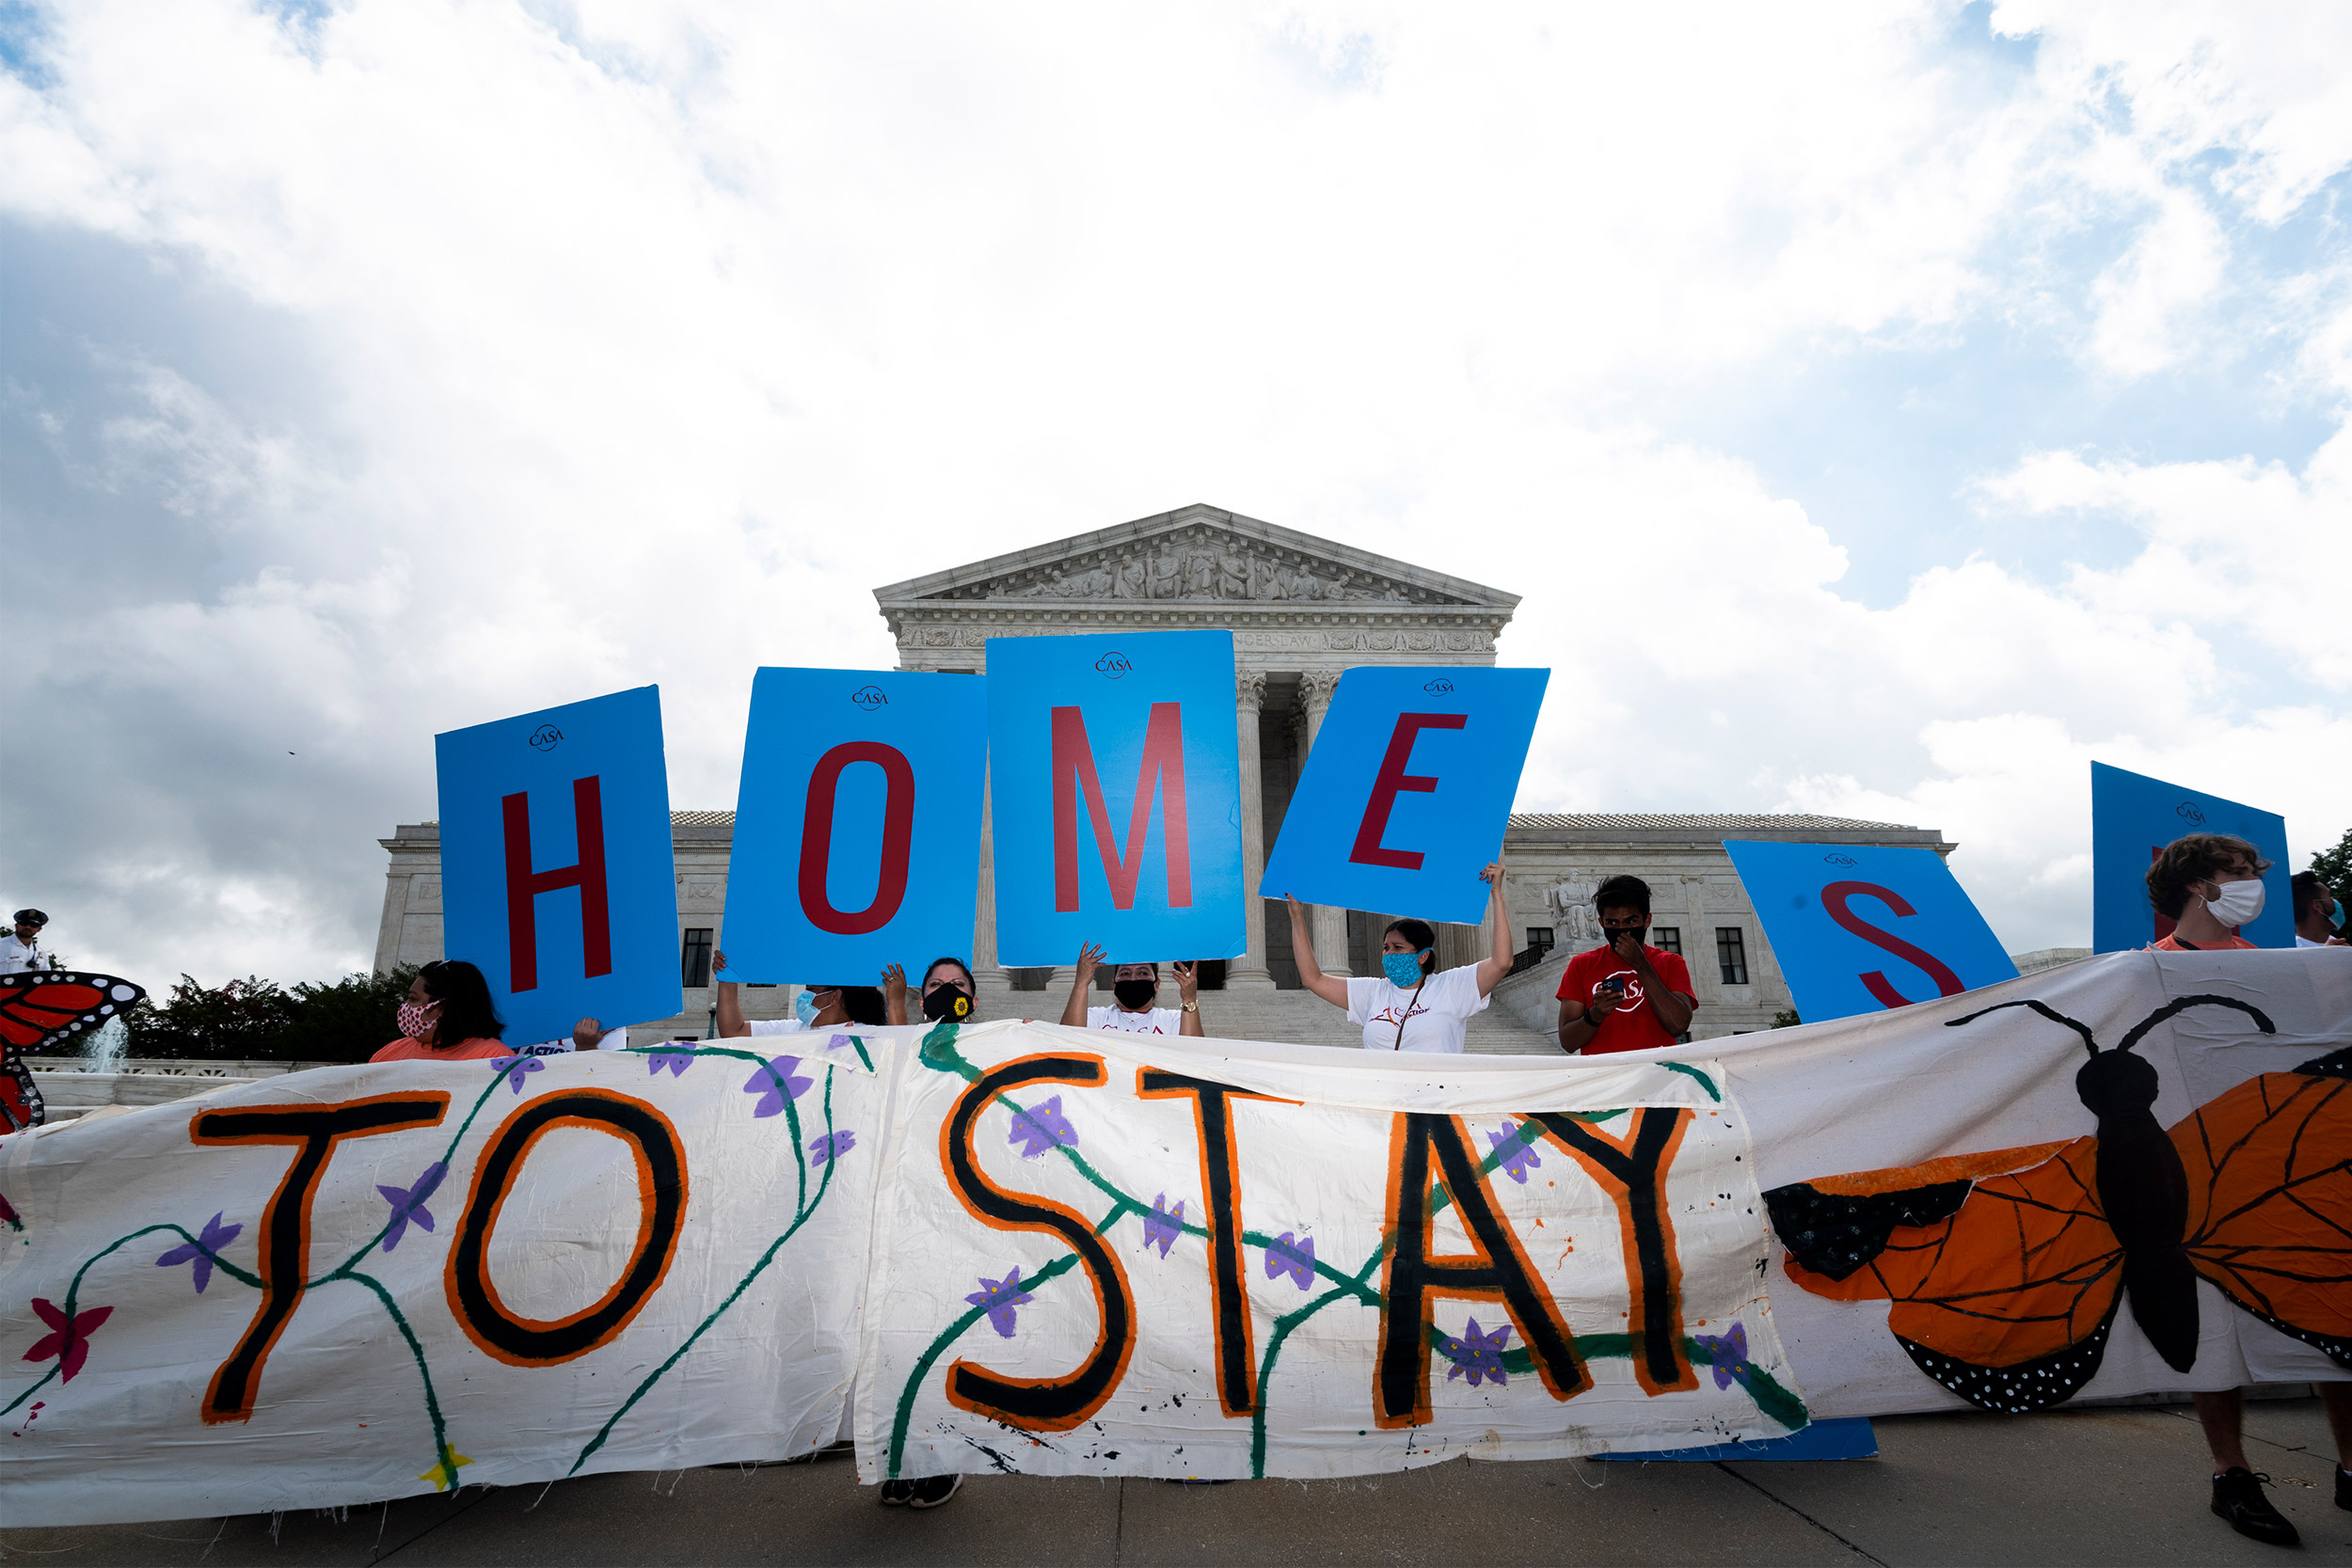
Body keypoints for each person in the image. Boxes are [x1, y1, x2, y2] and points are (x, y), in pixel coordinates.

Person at [2146, 834, 2352, 1544]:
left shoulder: (2291, 967)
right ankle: (2230, 1472)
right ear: (2197, 885)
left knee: (2331, 1311)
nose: (2251, 884)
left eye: (2251, 873)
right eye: (2237, 874)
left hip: (2288, 1166)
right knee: (2215, 1329)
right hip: (2197, 1178)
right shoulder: (2145, 972)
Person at [1281, 862, 1513, 1053]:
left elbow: (1502, 962)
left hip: (1435, 1101)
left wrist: (1497, 894)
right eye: (1386, 947)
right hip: (1384, 1101)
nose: (1389, 954)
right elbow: (1313, 979)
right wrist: (1297, 919)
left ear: (1422, 956)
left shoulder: (1450, 988)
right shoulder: (1373, 992)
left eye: (1398, 947)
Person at [1553, 875, 1697, 1053]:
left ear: (1647, 920)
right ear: (1601, 923)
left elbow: (1678, 1025)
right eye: (1612, 923)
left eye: (1630, 921)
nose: (1621, 929)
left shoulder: (1671, 962)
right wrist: (1596, 1013)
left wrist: (1641, 964)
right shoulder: (1581, 965)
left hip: (1659, 1075)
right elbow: (1568, 1042)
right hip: (1607, 1077)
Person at [713, 951, 890, 1037]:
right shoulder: (792, 1030)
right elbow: (733, 1032)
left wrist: (896, 1000)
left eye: (811, 990)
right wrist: (727, 979)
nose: (803, 996)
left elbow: (901, 1053)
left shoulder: (865, 1035)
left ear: (835, 997)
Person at [370, 960, 513, 1062]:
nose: (406, 1006)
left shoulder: (493, 1058)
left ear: (442, 1008)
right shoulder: (388, 1054)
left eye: (413, 999)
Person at [1059, 949, 1204, 1037]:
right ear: (1113, 984)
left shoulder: (1173, 1020)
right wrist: (1081, 983)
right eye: (1125, 973)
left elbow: (1194, 1053)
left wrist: (1189, 998)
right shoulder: (1095, 1017)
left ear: (1157, 984)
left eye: (1142, 972)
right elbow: (1068, 1040)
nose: (1133, 979)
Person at [884, 958, 982, 1025]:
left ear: (974, 1002)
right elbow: (900, 1049)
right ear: (922, 1002)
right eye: (936, 984)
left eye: (958, 984)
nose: (947, 989)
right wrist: (896, 1001)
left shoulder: (989, 1043)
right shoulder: (913, 1041)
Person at [2292, 870, 2347, 947]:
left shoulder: (2336, 944)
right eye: (2329, 897)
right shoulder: (2293, 952)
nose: (2335, 902)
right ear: (2317, 906)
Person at [3, 909, 54, 974]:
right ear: (16, 925)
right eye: (24, 923)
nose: (28, 927)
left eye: (33, 925)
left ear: (39, 929)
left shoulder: (42, 954)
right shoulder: (2, 945)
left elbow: (46, 979)